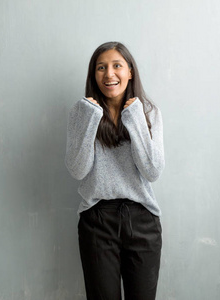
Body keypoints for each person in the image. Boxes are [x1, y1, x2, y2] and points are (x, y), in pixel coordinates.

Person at [65, 41, 165, 300]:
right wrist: (91, 119)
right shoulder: (82, 112)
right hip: (97, 220)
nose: (109, 74)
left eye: (116, 65)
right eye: (101, 67)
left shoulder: (149, 114)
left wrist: (134, 117)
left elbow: (153, 171)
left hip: (142, 220)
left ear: (129, 71)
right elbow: (77, 170)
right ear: (93, 74)